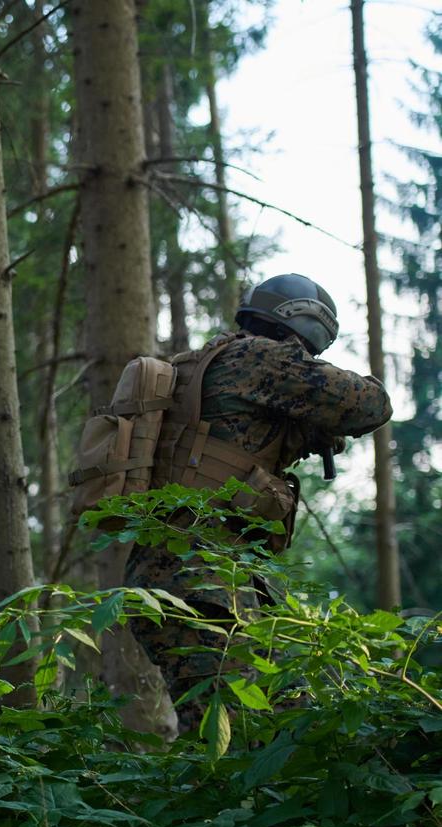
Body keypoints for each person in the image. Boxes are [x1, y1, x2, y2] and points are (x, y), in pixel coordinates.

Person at [125, 273, 392, 733]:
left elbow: (231, 437)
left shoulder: (200, 365)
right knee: (235, 740)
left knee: (281, 723)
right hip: (204, 583)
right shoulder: (260, 359)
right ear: (305, 324)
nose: (307, 359)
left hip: (193, 577)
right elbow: (369, 404)